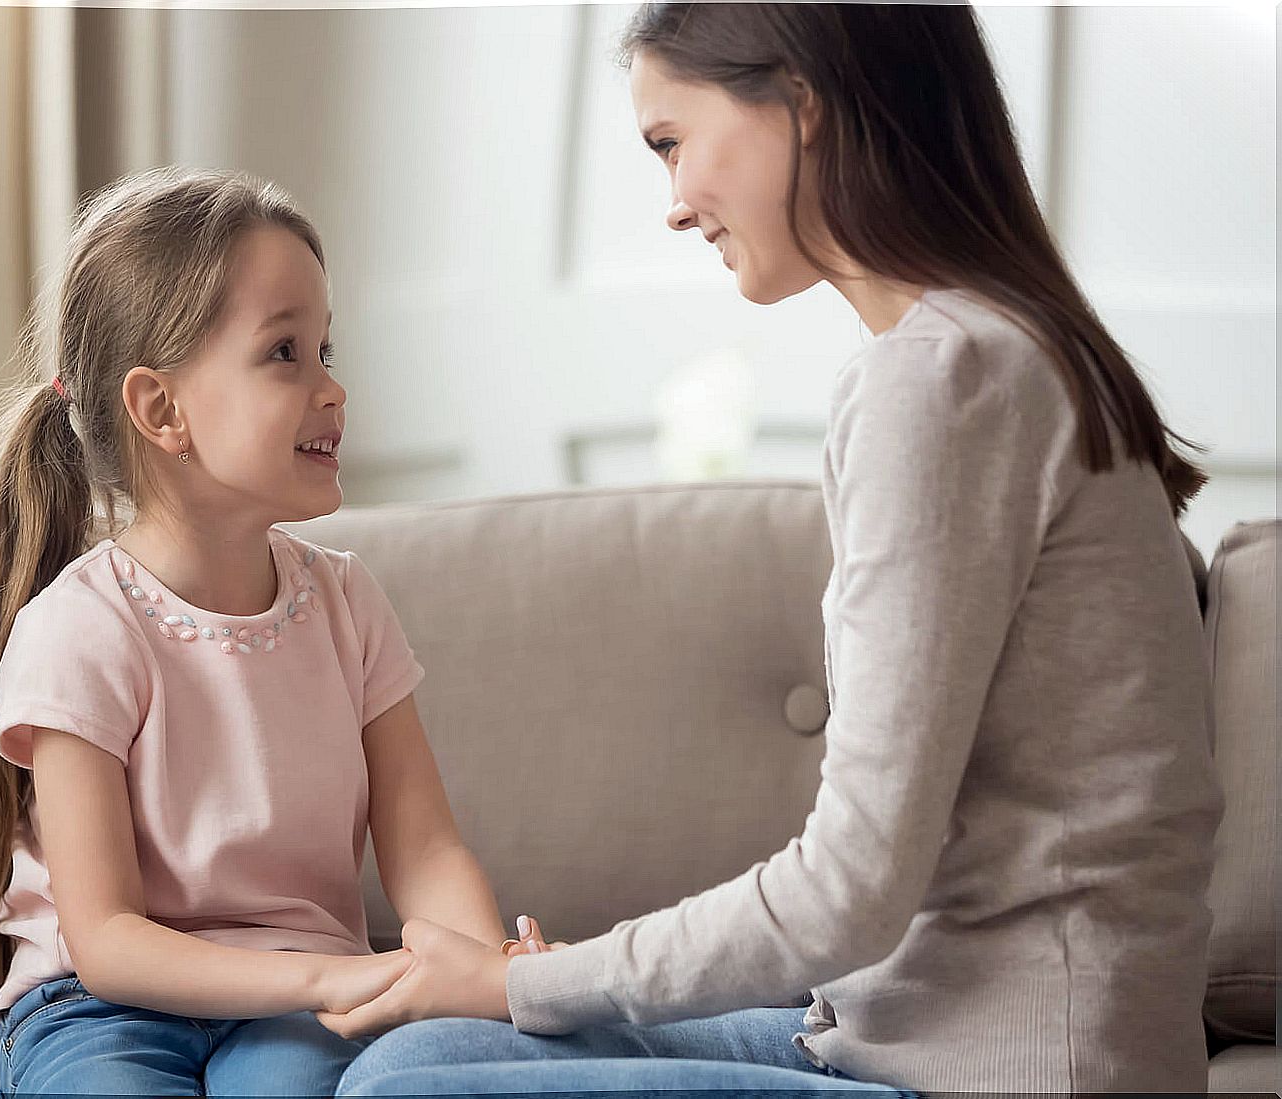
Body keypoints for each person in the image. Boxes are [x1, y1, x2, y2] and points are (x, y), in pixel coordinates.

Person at [324, 4, 1223, 1094]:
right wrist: (546, 986)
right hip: (891, 1028)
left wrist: (531, 986)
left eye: (671, 143)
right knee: (420, 1052)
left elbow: (849, 886)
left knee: (403, 1089)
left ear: (800, 102)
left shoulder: (943, 381)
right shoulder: (997, 353)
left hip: (1011, 1064)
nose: (671, 206)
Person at [0, 167, 524, 1097]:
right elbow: (106, 941)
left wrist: (486, 965)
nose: (332, 389)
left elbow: (424, 848)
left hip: (298, 1000)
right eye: (285, 353)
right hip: (100, 1002)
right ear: (161, 409)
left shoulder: (347, 603)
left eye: (326, 350)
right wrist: (331, 972)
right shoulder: (78, 629)